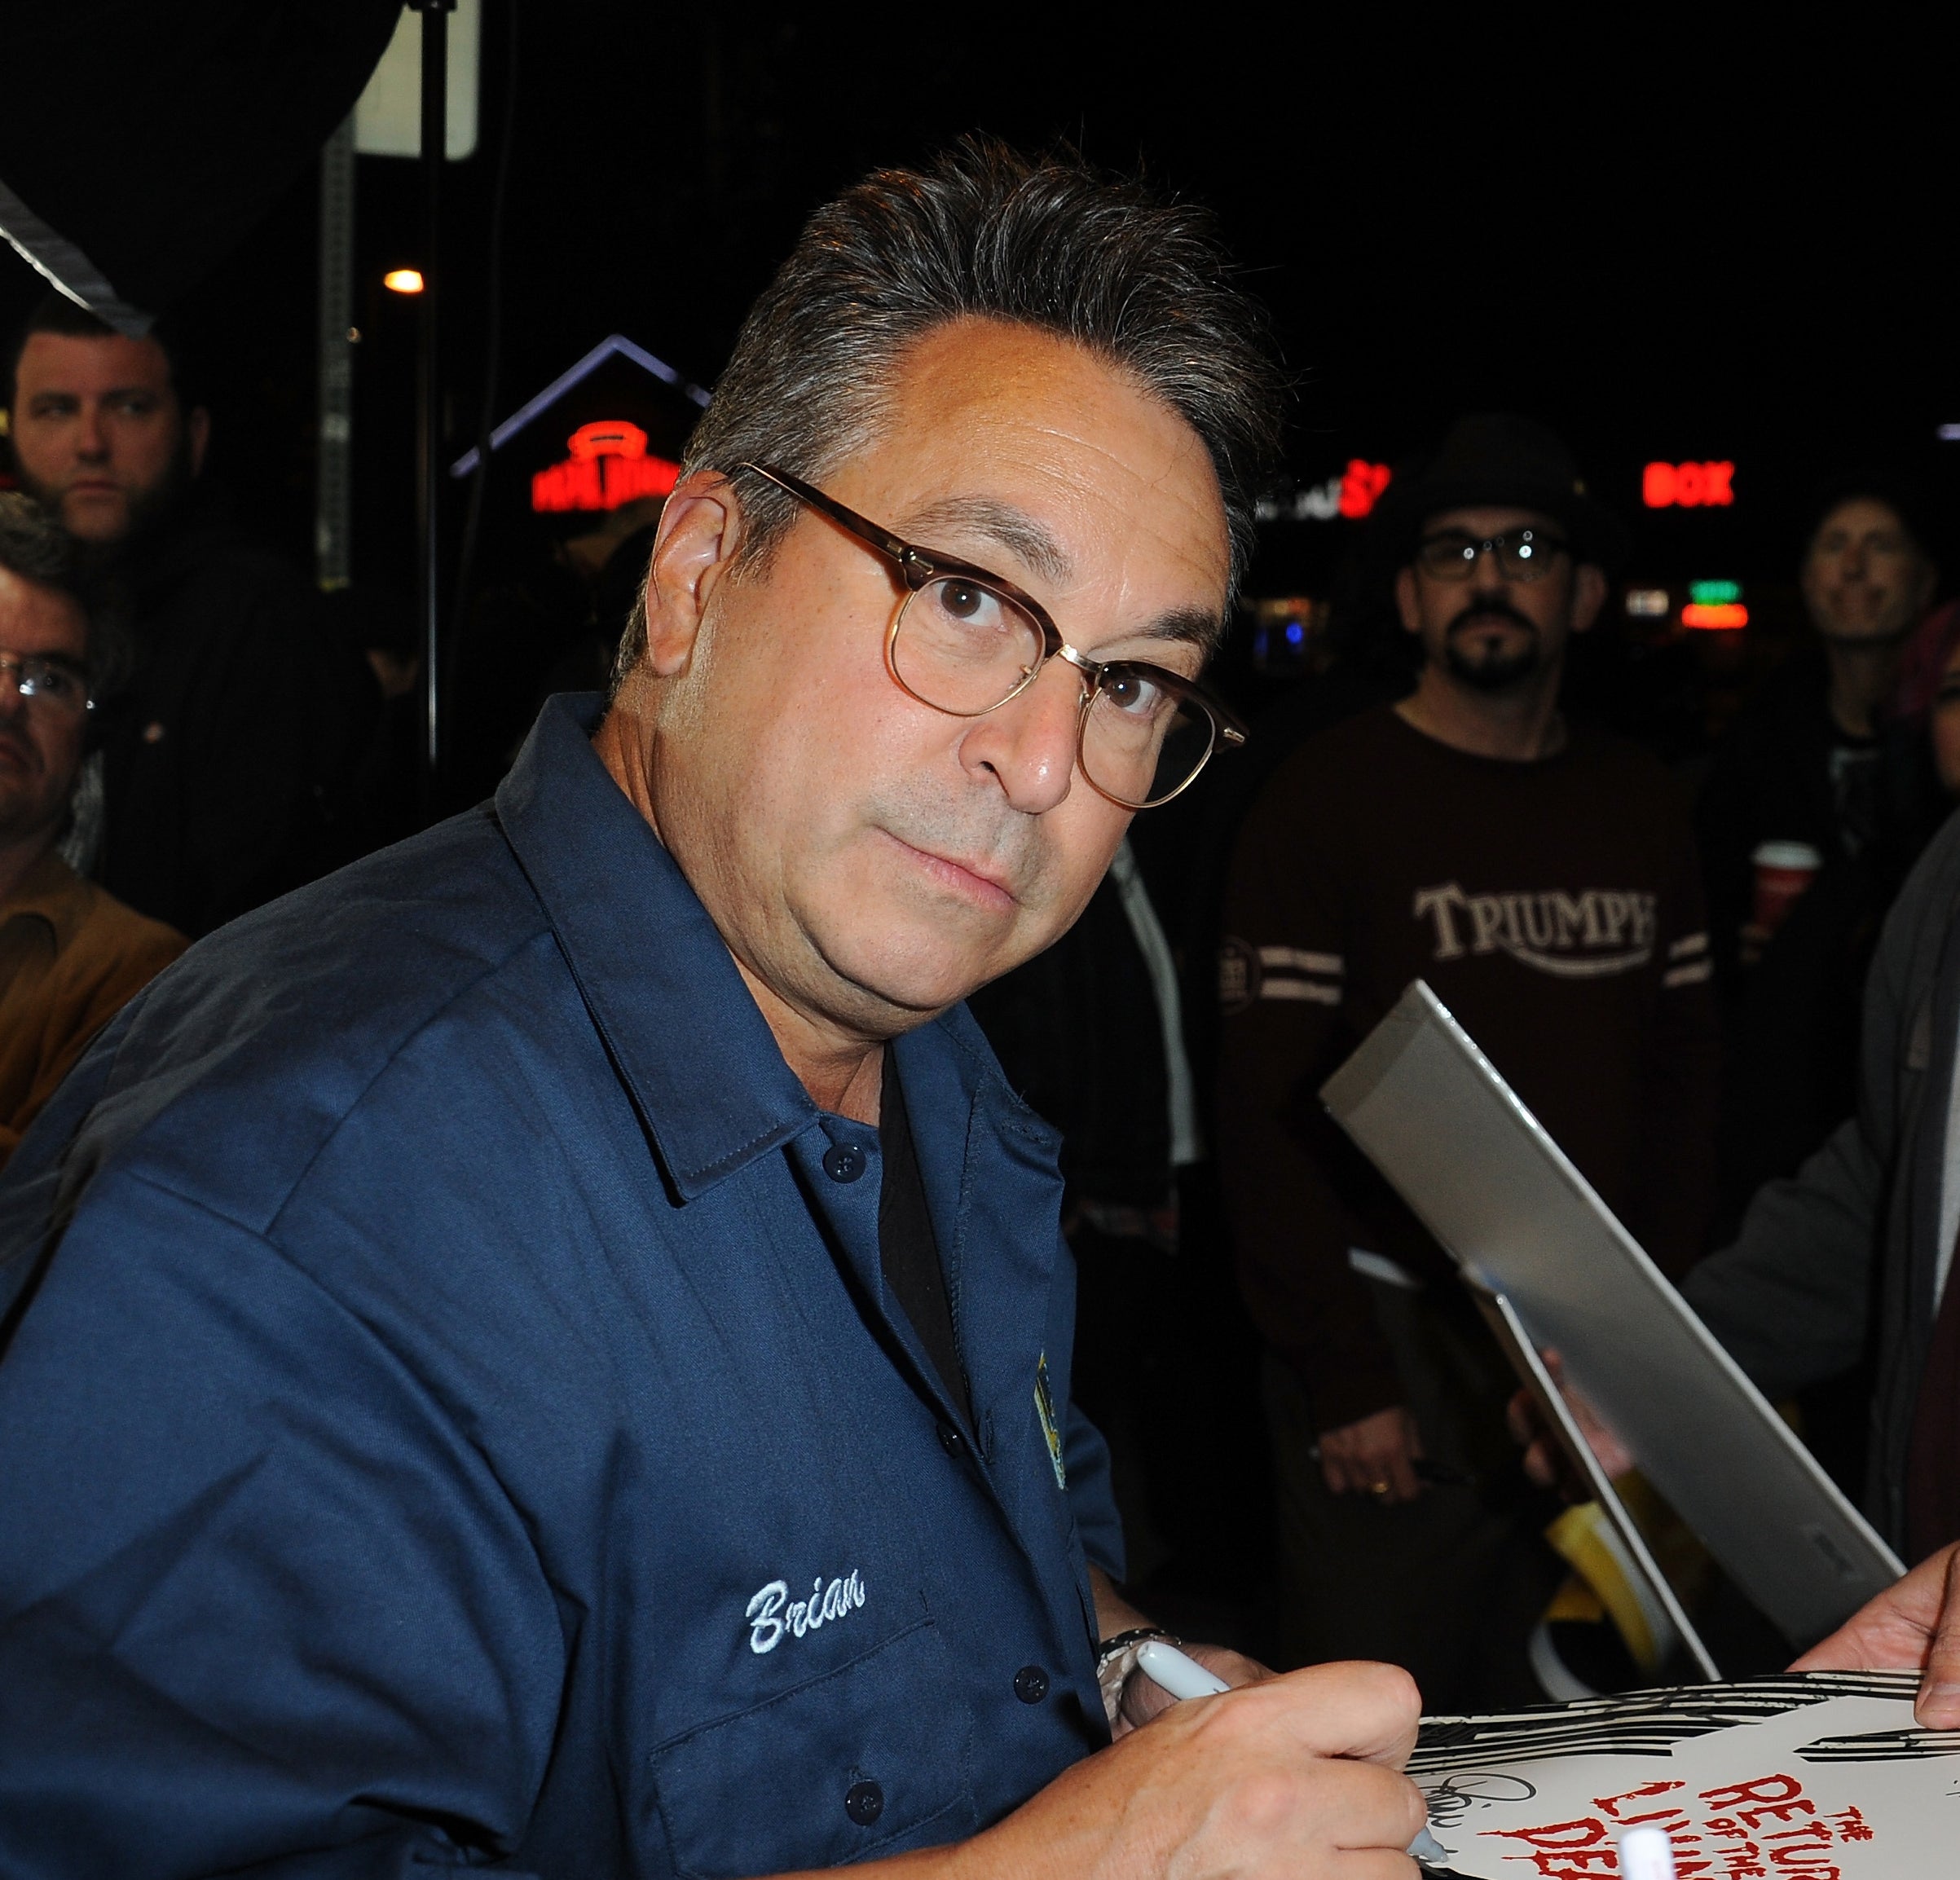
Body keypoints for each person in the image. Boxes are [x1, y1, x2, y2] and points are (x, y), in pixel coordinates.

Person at [0, 143, 1426, 1877]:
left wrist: (1131, 1668)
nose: (1043, 762)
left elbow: (1005, 1536)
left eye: (1127, 682)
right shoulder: (302, 1209)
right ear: (689, 577)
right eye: (967, 597)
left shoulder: (933, 1073)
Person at [1217, 412, 1723, 1707]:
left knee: (1595, 1721)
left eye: (1526, 545)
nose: (1487, 575)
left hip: (1597, 1338)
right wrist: (1345, 1375)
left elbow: (1682, 1092)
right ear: (1406, 592)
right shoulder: (1326, 792)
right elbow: (1263, 1109)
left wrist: (1652, 1341)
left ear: (1588, 592)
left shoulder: (1644, 802)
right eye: (1451, 552)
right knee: (1388, 1726)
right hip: (1396, 1335)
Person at [6, 293, 362, 936]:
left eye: (129, 406)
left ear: (193, 436)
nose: (91, 443)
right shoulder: (25, 617)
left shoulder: (258, 621)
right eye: (57, 408)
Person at [1698, 479, 1945, 1226]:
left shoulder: (1946, 745)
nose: (1856, 566)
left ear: (1924, 581)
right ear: (1807, 582)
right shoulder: (1758, 739)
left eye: (1881, 546)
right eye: (1835, 546)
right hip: (1788, 1099)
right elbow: (1703, 903)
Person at [0, 491, 183, 1164]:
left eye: (47, 679)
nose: (4, 701)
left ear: (86, 734)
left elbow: (39, 1216)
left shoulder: (133, 974)